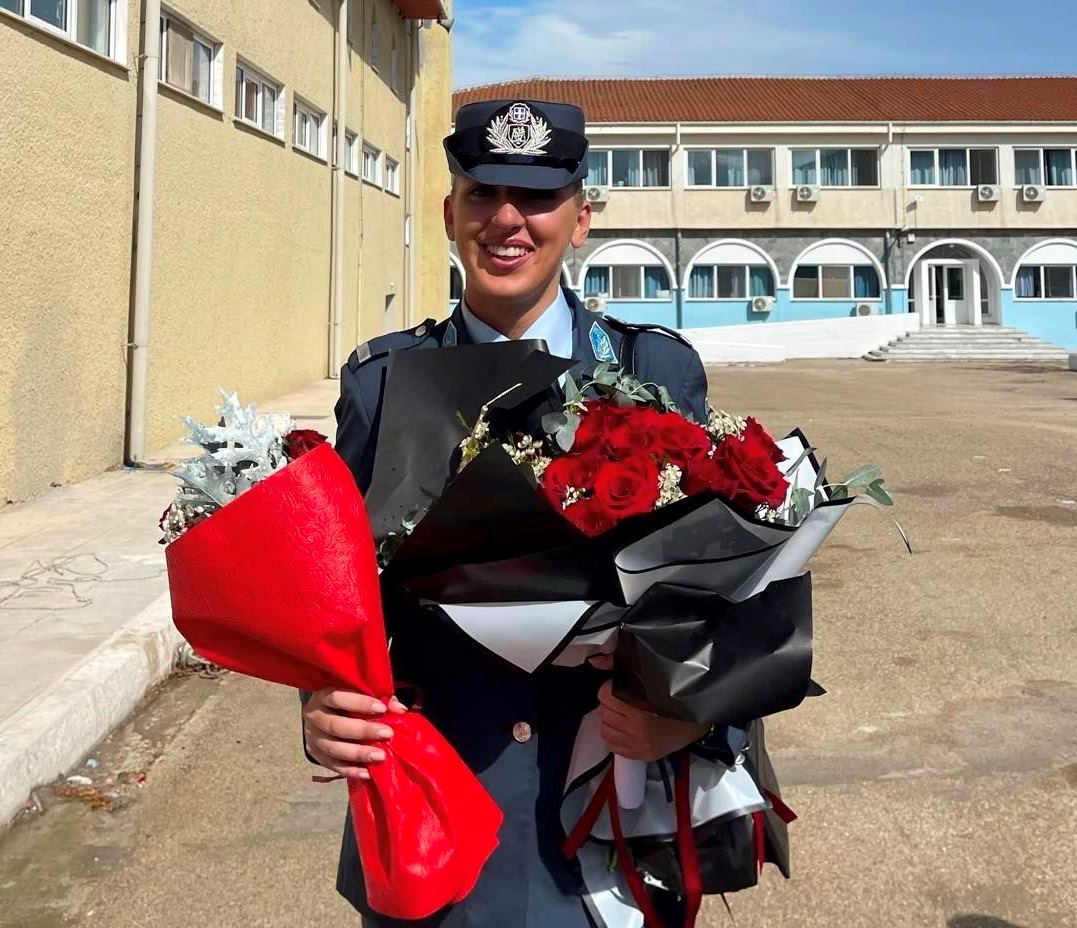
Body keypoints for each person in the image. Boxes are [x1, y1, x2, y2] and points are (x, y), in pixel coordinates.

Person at [301, 100, 729, 927]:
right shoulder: (383, 382)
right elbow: (336, 594)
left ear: (580, 219)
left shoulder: (653, 369)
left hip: (606, 810)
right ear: (449, 214)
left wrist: (691, 719)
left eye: (536, 197)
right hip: (435, 812)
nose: (506, 219)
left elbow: (716, 587)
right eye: (482, 194)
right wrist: (321, 702)